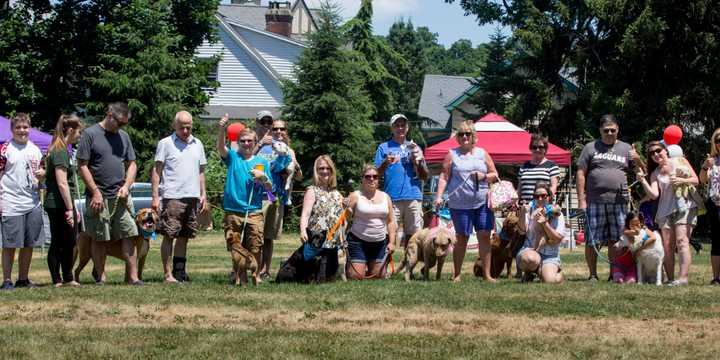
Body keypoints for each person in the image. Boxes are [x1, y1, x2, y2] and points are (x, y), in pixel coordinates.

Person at [77, 102, 141, 285]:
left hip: (120, 197)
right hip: (98, 197)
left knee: (130, 233)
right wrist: (95, 192)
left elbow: (132, 164)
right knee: (100, 237)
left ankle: (133, 277)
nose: (121, 127)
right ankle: (101, 277)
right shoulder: (90, 134)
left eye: (124, 124)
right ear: (110, 115)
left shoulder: (123, 137)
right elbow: (82, 165)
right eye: (120, 123)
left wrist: (127, 186)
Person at [434, 120, 499, 283]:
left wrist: (483, 176)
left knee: (484, 236)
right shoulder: (452, 154)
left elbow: (495, 174)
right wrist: (439, 196)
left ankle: (487, 275)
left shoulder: (483, 154)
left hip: (482, 202)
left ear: (473, 136)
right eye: (461, 134)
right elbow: (444, 177)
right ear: (457, 137)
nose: (464, 136)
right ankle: (457, 275)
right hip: (459, 204)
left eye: (467, 134)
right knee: (461, 237)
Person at [576, 114, 638, 282]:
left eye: (613, 130)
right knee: (592, 240)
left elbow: (640, 173)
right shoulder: (590, 147)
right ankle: (593, 275)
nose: (609, 133)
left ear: (618, 130)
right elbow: (581, 173)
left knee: (616, 239)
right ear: (600, 130)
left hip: (619, 202)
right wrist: (581, 199)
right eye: (606, 130)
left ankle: (614, 274)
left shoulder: (626, 149)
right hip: (594, 200)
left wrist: (638, 159)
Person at [151, 111, 207, 283]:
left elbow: (201, 171)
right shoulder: (165, 143)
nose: (185, 130)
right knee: (169, 235)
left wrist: (203, 194)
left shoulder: (198, 144)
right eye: (182, 127)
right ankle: (167, 274)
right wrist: (155, 197)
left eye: (188, 127)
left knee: (185, 236)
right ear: (174, 126)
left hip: (192, 197)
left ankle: (179, 272)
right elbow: (156, 171)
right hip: (172, 197)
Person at [217, 114, 272, 285]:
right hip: (233, 210)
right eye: (243, 141)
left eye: (250, 141)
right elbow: (220, 147)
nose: (246, 144)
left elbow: (270, 189)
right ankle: (239, 274)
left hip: (254, 210)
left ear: (256, 143)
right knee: (235, 246)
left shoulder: (262, 162)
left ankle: (255, 274)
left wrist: (263, 178)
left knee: (255, 245)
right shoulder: (233, 157)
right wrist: (221, 129)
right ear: (238, 143)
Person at [637, 140, 700, 286]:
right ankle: (671, 279)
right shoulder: (655, 173)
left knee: (682, 241)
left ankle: (683, 278)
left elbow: (696, 180)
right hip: (664, 211)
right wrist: (643, 181)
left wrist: (679, 179)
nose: (656, 154)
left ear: (665, 150)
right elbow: (653, 195)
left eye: (658, 150)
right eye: (652, 153)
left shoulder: (680, 160)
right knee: (667, 246)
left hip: (684, 207)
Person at [0, 113, 45, 290]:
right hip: (11, 202)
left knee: (29, 244)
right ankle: (7, 280)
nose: (22, 131)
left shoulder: (35, 149)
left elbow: (39, 174)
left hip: (32, 203)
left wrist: (43, 175)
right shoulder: (4, 149)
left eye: (25, 127)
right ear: (12, 130)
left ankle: (23, 279)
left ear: (30, 128)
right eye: (18, 127)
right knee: (10, 245)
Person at [375, 114, 428, 251]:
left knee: (414, 237)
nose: (400, 128)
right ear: (391, 128)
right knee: (388, 234)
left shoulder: (415, 147)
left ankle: (408, 270)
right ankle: (384, 269)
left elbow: (424, 176)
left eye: (403, 125)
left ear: (407, 127)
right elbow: (375, 175)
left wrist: (418, 162)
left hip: (413, 196)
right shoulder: (383, 147)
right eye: (397, 125)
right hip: (391, 197)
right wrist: (385, 163)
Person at [256, 119, 301, 280]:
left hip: (276, 196)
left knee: (269, 236)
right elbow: (248, 160)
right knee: (256, 235)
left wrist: (292, 171)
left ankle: (265, 270)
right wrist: (259, 144)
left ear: (286, 131)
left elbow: (298, 174)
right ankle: (254, 269)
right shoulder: (262, 146)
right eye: (275, 128)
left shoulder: (289, 150)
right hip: (259, 195)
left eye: (282, 129)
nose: (278, 131)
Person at [45, 114, 84, 287]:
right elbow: (62, 183)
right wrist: (70, 209)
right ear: (70, 130)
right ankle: (59, 279)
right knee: (62, 241)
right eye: (79, 132)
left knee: (67, 242)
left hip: (60, 203)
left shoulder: (60, 148)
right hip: (58, 204)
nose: (80, 136)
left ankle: (66, 277)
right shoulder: (60, 151)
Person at [345, 165, 397, 280]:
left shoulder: (386, 197)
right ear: (362, 179)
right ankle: (360, 265)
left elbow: (391, 221)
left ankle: (368, 265)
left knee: (379, 276)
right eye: (368, 176)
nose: (372, 179)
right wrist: (347, 209)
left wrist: (392, 242)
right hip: (357, 241)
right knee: (355, 277)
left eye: (375, 176)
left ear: (378, 179)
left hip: (379, 243)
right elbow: (346, 218)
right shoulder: (355, 195)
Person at [298, 155, 343, 272]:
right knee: (313, 273)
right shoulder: (312, 190)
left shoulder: (336, 193)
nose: (325, 171)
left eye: (328, 168)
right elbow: (305, 214)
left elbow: (344, 216)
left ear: (332, 171)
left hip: (333, 241)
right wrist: (303, 230)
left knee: (330, 275)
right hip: (317, 241)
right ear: (316, 171)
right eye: (321, 168)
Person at [516, 182, 565, 284]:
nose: (540, 199)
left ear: (549, 197)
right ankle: (530, 272)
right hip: (530, 250)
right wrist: (522, 213)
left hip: (549, 254)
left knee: (550, 281)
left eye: (543, 196)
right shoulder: (529, 210)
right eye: (536, 196)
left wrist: (545, 223)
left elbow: (558, 239)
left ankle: (553, 272)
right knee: (530, 259)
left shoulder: (557, 213)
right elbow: (521, 231)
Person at [699, 128, 720, 285]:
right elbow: (703, 181)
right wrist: (705, 167)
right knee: (717, 241)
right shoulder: (712, 160)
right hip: (715, 204)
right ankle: (716, 277)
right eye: (718, 140)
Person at [518, 134, 560, 203]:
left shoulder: (552, 165)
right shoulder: (524, 166)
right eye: (534, 147)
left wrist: (546, 201)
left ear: (545, 149)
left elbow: (553, 187)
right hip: (525, 207)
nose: (537, 149)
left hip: (543, 206)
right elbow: (520, 188)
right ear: (531, 149)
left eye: (540, 147)